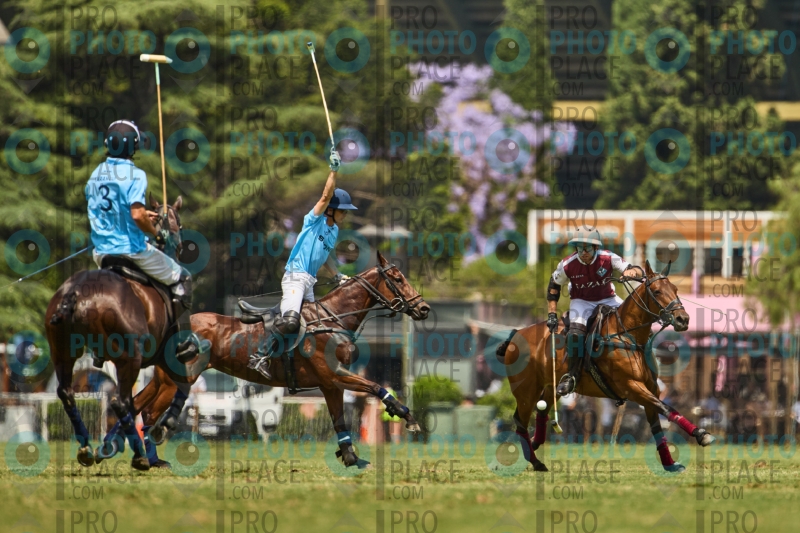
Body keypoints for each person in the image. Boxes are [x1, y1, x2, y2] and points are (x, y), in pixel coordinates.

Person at [85, 120, 209, 362]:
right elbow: (136, 215)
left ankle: (98, 346)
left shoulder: (96, 174)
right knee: (183, 278)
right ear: (133, 146)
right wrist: (156, 232)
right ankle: (184, 342)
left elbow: (108, 211)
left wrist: (142, 215)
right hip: (131, 250)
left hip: (101, 253)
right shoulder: (135, 174)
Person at [249, 148, 357, 379]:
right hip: (295, 276)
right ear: (331, 210)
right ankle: (259, 356)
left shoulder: (333, 230)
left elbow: (325, 255)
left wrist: (336, 274)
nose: (346, 215)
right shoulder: (313, 220)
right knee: (290, 321)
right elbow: (325, 196)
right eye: (343, 211)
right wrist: (333, 171)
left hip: (309, 282)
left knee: (313, 327)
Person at [546, 230, 644, 396]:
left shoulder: (608, 257)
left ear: (595, 248)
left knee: (636, 321)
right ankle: (572, 376)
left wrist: (631, 273)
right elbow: (553, 287)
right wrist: (552, 314)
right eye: (580, 248)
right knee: (575, 335)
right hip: (581, 301)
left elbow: (637, 270)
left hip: (608, 298)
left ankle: (646, 364)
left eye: (588, 249)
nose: (583, 253)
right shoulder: (567, 264)